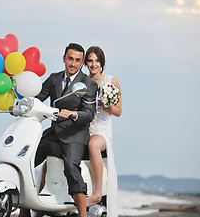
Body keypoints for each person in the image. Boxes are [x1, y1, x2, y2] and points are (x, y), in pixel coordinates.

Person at [18, 43, 98, 217]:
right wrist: (20, 105)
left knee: (71, 166)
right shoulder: (54, 78)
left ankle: (83, 214)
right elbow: (38, 98)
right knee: (26, 159)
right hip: (54, 133)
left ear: (82, 62)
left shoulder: (88, 84)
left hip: (75, 135)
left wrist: (73, 114)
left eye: (77, 60)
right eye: (70, 59)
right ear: (64, 58)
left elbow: (89, 114)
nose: (73, 64)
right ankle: (24, 209)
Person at [84, 46, 122, 217]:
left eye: (97, 60)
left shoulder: (111, 81)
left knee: (93, 145)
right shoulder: (82, 80)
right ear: (86, 63)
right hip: (84, 128)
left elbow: (119, 111)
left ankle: (97, 193)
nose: (94, 64)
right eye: (90, 60)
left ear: (102, 62)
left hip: (102, 129)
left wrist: (106, 105)